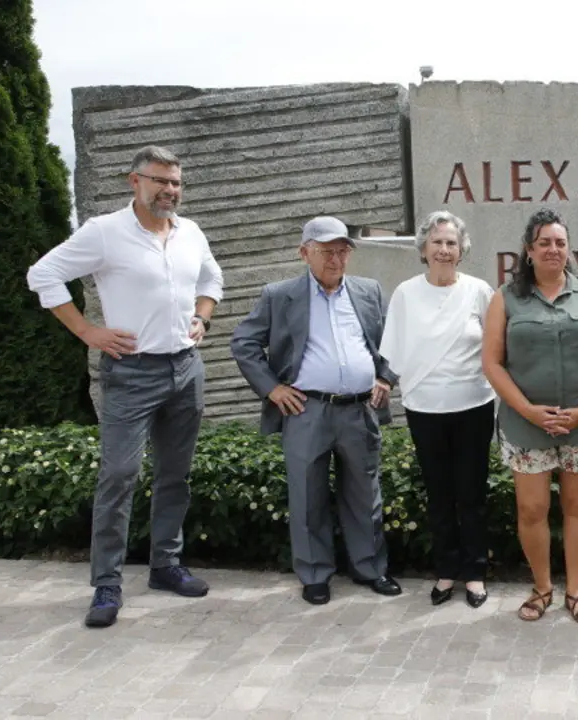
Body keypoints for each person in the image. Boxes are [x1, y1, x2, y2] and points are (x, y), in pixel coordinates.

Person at [26, 146, 223, 629]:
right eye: (159, 180)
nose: (169, 190)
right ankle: (106, 585)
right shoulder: (104, 232)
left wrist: (202, 316)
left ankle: (165, 566)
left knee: (175, 476)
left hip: (184, 369)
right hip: (131, 374)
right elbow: (43, 273)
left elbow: (212, 276)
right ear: (133, 181)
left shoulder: (189, 232)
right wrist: (88, 331)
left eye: (176, 182)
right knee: (119, 478)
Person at [230, 216, 402, 606]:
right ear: (304, 251)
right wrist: (272, 389)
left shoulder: (368, 291)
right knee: (307, 496)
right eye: (327, 251)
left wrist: (385, 378)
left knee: (365, 494)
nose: (336, 259)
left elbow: (394, 338)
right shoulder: (280, 295)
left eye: (342, 251)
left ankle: (371, 569)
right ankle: (314, 574)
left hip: (360, 409)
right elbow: (243, 343)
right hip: (306, 410)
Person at [481, 208, 578, 626]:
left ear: (568, 248)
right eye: (544, 243)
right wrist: (527, 411)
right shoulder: (505, 298)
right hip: (526, 425)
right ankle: (541, 589)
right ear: (528, 250)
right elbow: (492, 362)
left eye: (560, 242)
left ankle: (574, 591)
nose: (553, 249)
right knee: (532, 509)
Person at [379, 211, 495, 609]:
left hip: (474, 405)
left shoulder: (480, 290)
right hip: (424, 408)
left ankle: (476, 572)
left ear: (461, 249)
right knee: (440, 493)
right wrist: (383, 382)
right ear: (423, 249)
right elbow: (392, 347)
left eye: (451, 243)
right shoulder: (406, 294)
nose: (444, 249)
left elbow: (496, 347)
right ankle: (447, 570)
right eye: (436, 242)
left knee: (472, 493)